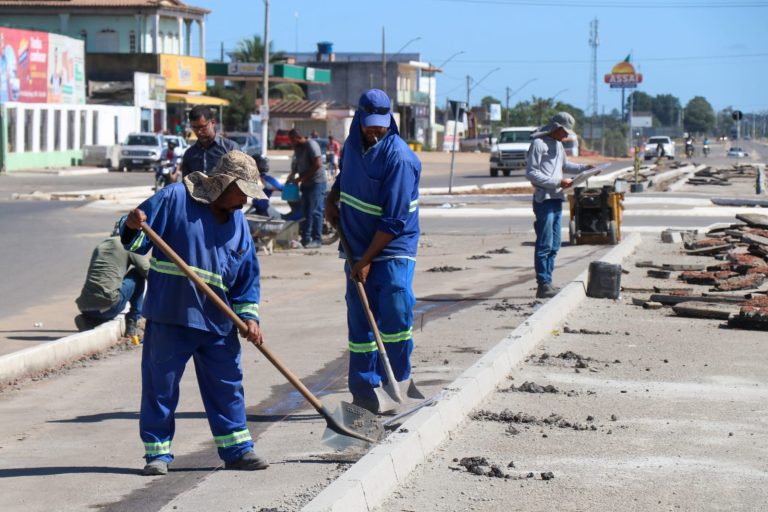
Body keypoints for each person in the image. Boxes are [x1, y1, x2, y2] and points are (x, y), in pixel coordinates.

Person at [120, 151, 269, 476]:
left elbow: (246, 280)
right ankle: (157, 454)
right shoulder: (175, 199)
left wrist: (250, 318)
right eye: (241, 191)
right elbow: (135, 236)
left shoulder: (240, 224)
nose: (245, 200)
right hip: (171, 317)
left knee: (228, 385)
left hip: (218, 323)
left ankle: (238, 449)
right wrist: (132, 225)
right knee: (161, 387)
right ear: (222, 183)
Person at [325, 89, 421, 413]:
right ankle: (365, 392)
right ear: (359, 118)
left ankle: (398, 386)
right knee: (361, 326)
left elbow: (393, 220)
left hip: (392, 249)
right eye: (370, 123)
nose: (375, 130)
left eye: (381, 124)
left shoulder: (400, 158)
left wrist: (367, 260)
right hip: (355, 248)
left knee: (395, 317)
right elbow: (345, 177)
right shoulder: (352, 145)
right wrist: (330, 199)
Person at [526, 112, 597, 299]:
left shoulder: (558, 145)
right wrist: (558, 182)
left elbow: (565, 165)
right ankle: (543, 284)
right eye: (564, 132)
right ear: (556, 128)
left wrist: (585, 169)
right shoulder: (538, 144)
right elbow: (532, 173)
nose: (566, 136)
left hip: (557, 199)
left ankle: (548, 281)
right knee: (545, 243)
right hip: (544, 200)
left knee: (555, 244)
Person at [75, 220, 150, 337]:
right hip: (110, 306)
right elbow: (147, 272)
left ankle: (89, 320)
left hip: (85, 307)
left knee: (108, 284)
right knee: (137, 273)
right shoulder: (129, 245)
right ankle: (132, 320)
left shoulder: (100, 246)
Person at [287, 128, 326, 249]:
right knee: (305, 212)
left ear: (298, 137)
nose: (291, 142)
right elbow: (297, 164)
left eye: (292, 139)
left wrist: (301, 178)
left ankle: (317, 239)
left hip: (316, 183)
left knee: (315, 212)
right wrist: (293, 174)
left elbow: (317, 164)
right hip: (305, 183)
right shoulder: (297, 148)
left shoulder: (311, 144)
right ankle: (306, 239)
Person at [180, 105, 238, 177]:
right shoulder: (189, 154)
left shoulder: (230, 148)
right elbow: (185, 183)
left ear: (213, 123)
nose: (199, 132)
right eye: (195, 128)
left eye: (202, 127)